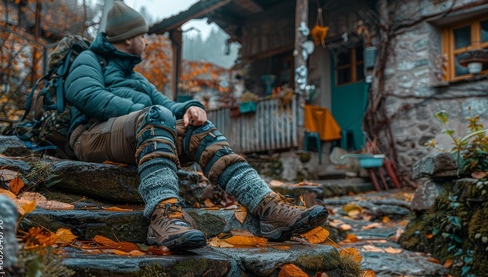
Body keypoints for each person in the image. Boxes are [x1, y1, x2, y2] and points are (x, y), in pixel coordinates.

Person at [65, 0, 328, 251]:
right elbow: (85, 95)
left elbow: (166, 104)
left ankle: (267, 206)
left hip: (137, 131)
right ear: (129, 38)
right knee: (157, 115)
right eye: (143, 36)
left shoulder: (137, 78)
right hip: (90, 137)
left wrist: (191, 107)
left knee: (198, 129)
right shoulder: (89, 59)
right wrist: (149, 113)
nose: (146, 41)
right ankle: (164, 216)